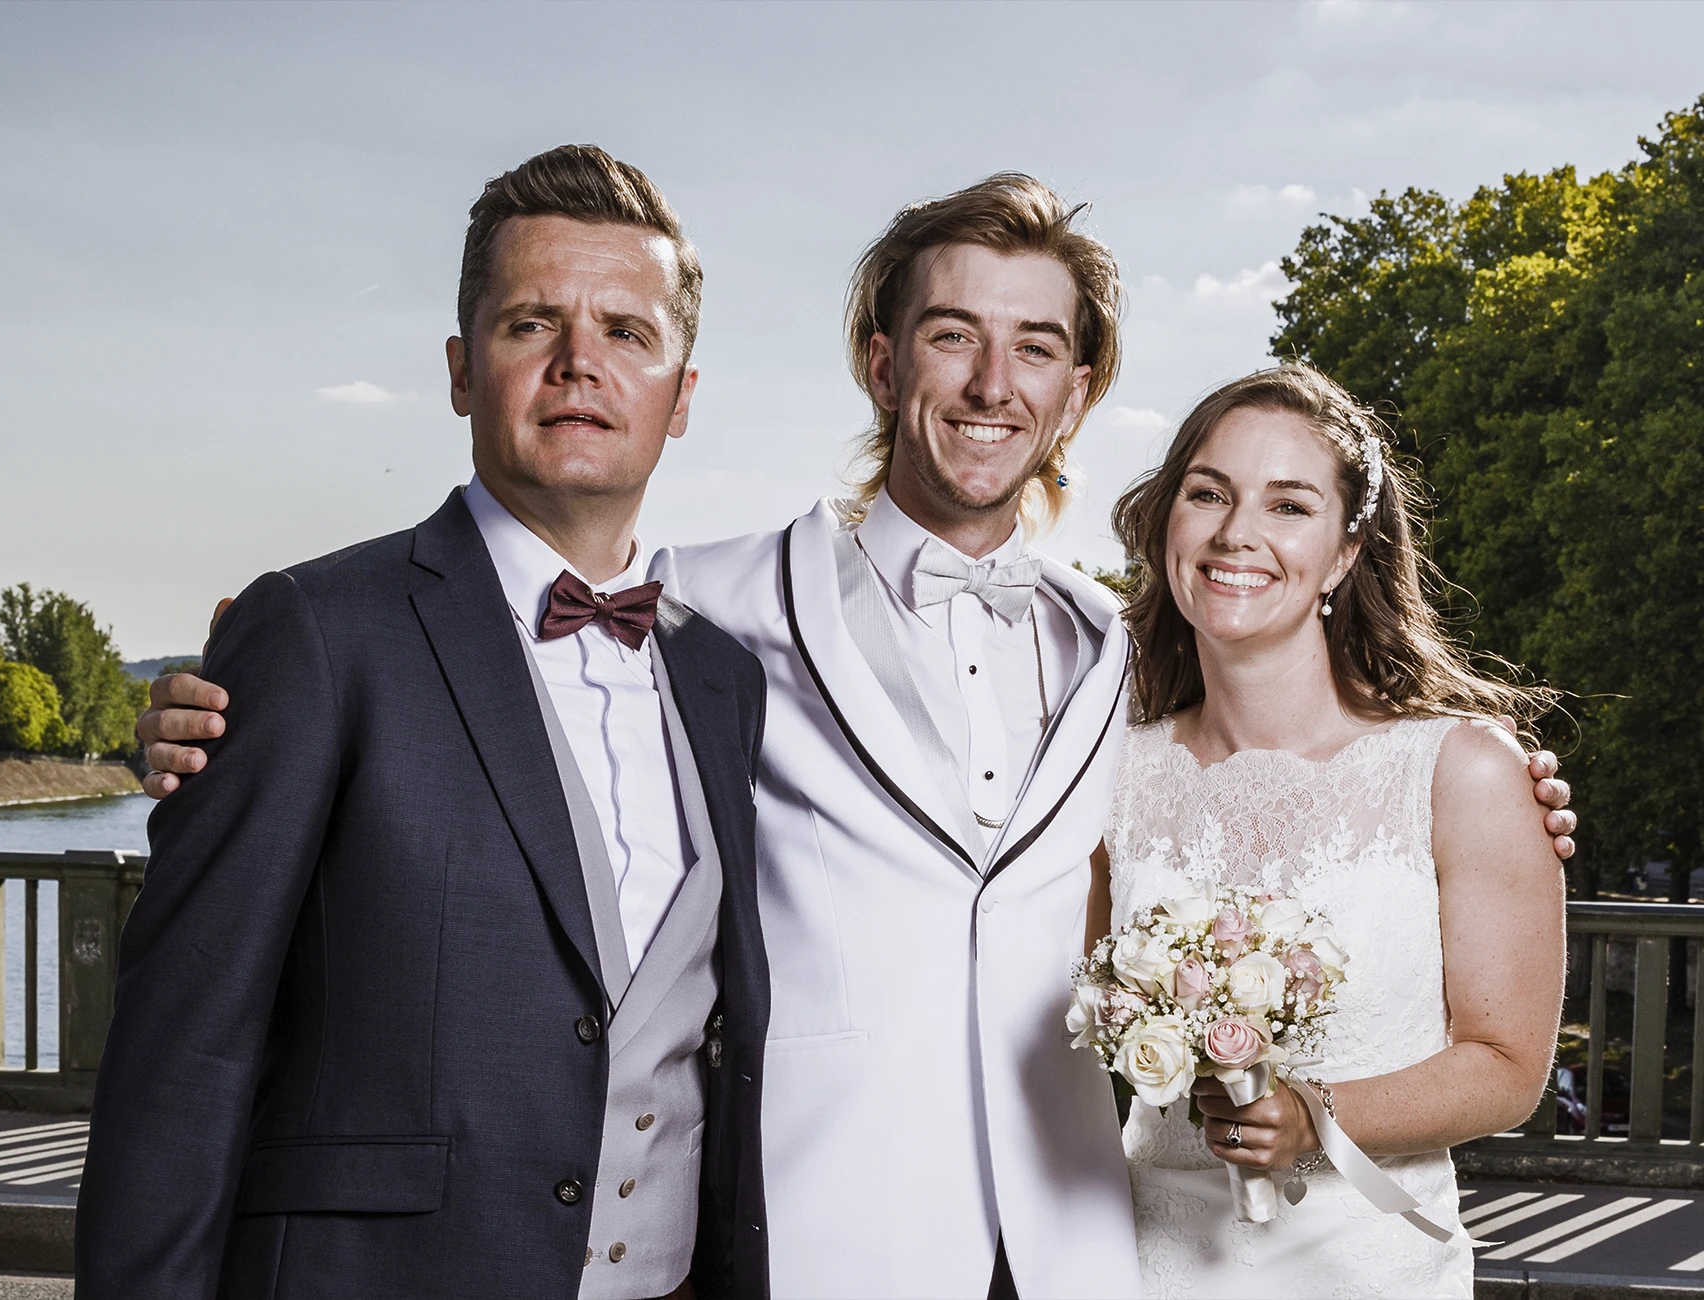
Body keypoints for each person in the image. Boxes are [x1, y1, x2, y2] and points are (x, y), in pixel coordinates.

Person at [138, 177, 1578, 1300]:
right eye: (952, 335)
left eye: (1038, 348)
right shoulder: (705, 599)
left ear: (1078, 393)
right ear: (883, 363)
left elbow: (1295, 771)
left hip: (1087, 1243)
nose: (990, 383)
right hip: (825, 1235)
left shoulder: (1115, 653)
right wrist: (220, 712)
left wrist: (1499, 809)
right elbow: (486, 647)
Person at [76, 146, 771, 1300]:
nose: (578, 366)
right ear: (461, 369)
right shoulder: (313, 630)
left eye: (627, 334)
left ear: (682, 394)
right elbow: (182, 1055)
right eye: (530, 323)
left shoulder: (723, 677)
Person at [1098, 364, 1567, 1299]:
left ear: (1346, 554)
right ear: (1167, 524)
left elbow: (1509, 1067)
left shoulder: (1460, 771)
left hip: (1371, 1271)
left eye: (1289, 506)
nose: (1238, 534)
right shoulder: (1102, 772)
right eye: (1208, 494)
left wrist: (1316, 1113)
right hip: (1145, 1264)